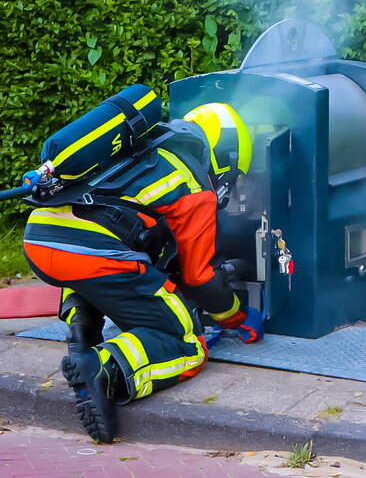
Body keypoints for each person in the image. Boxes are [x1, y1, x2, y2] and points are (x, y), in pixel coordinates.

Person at [21, 93, 263, 443]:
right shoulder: (193, 181)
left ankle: (81, 329)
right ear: (226, 155)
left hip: (40, 240)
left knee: (104, 266)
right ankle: (102, 367)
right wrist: (236, 317)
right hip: (93, 252)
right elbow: (200, 277)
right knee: (185, 339)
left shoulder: (136, 150)